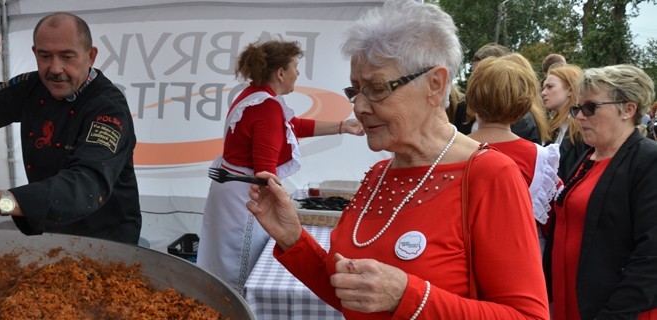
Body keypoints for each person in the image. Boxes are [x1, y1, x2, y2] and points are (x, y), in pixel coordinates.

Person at [245, 1, 549, 319]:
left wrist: (409, 296)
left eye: (377, 88)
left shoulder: (490, 175)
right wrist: (293, 238)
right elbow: (351, 294)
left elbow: (527, 315)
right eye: (356, 90)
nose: (359, 106)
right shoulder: (379, 174)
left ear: (435, 85)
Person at [0, 13, 141, 244]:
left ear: (91, 56)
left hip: (108, 241)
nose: (55, 69)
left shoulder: (108, 108)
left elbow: (87, 185)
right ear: (35, 53)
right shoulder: (31, 86)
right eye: (45, 56)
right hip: (52, 233)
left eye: (67, 56)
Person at [197, 38, 364, 291]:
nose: (298, 73)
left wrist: (342, 127)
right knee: (238, 272)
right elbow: (265, 172)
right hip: (245, 197)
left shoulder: (253, 96)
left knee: (221, 264)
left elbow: (292, 126)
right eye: (295, 66)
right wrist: (282, 204)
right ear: (281, 72)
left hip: (229, 191)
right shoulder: (266, 107)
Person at [549, 64, 657, 319]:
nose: (579, 116)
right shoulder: (587, 157)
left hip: (616, 311)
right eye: (578, 108)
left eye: (590, 107)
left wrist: (615, 314)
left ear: (628, 109)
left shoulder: (647, 161)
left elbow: (652, 255)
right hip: (571, 304)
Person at [466, 55, 560, 252]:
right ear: (523, 108)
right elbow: (552, 221)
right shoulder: (540, 159)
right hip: (521, 257)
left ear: (473, 101)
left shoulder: (450, 151)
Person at [454, 44, 544, 144]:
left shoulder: (521, 120)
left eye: (483, 74)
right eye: (474, 74)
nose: (476, 81)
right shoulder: (463, 108)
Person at [542, 64, 589, 179]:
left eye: (550, 86)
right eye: (544, 87)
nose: (543, 92)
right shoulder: (553, 126)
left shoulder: (582, 128)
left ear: (570, 90)